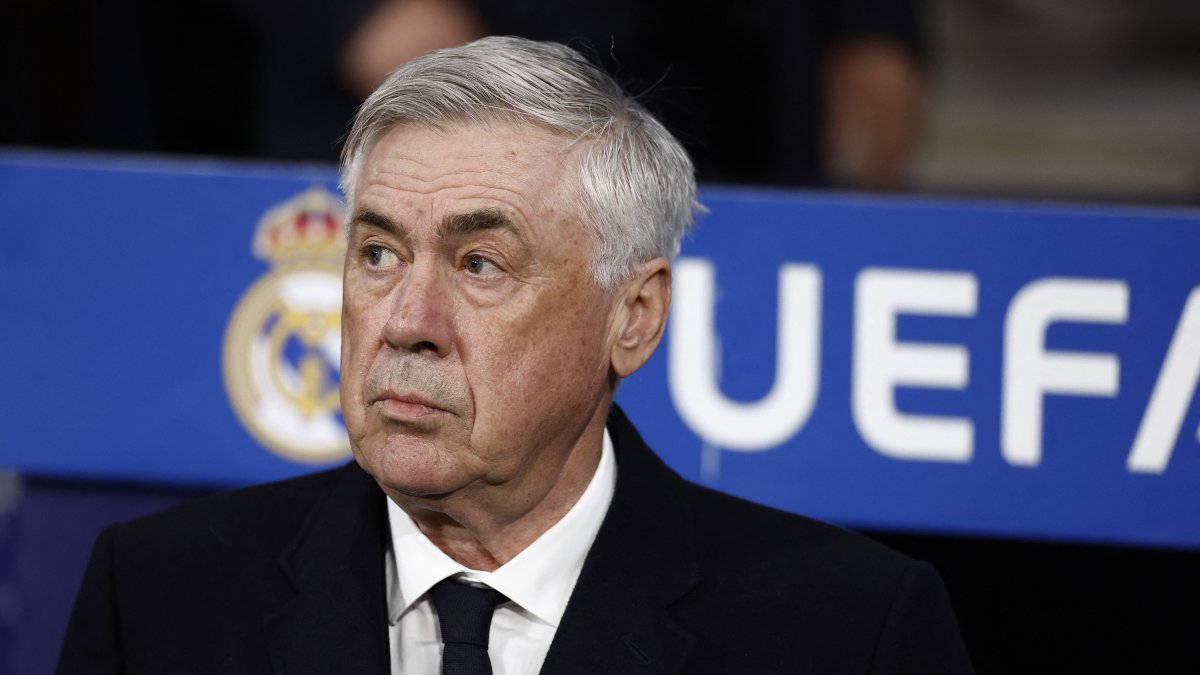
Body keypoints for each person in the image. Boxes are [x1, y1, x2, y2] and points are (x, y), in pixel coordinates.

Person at [57, 37, 972, 673]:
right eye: (377, 253)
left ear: (635, 317)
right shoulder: (158, 598)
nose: (407, 320)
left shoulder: (847, 633)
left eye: (480, 263)